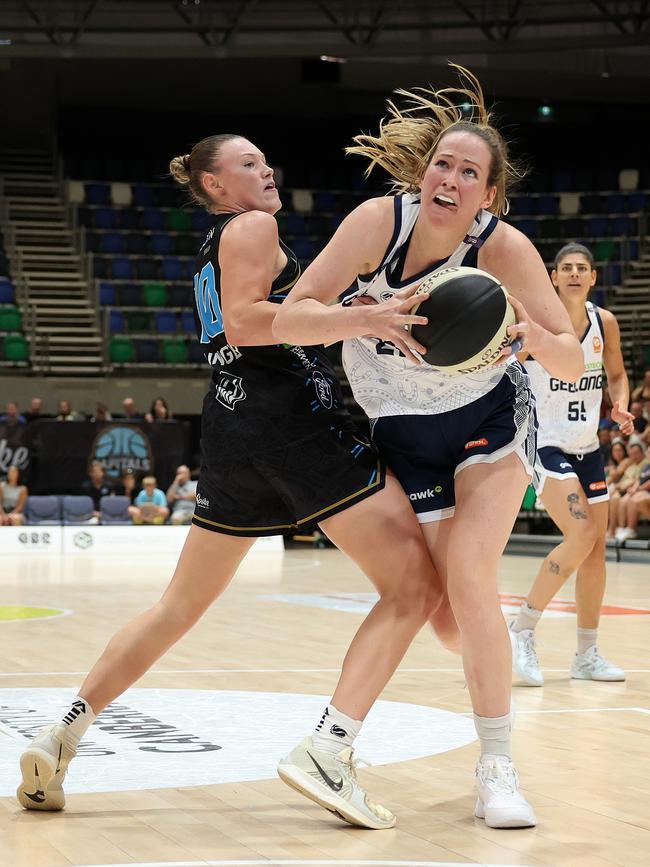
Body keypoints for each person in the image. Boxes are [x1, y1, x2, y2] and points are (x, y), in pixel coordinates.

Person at [17, 133, 441, 831]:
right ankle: (329, 750)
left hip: (231, 426)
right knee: (415, 586)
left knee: (176, 607)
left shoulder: (215, 243)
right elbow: (247, 324)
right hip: (292, 422)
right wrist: (363, 318)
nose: (266, 168)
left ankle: (62, 732)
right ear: (215, 185)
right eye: (247, 164)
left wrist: (344, 310)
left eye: (265, 158)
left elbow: (248, 320)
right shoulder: (254, 225)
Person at [273, 65, 583, 829]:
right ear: (426, 170)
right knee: (448, 617)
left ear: (487, 193)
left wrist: (529, 335)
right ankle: (490, 654)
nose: (450, 177)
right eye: (443, 162)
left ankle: (498, 768)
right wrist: (366, 320)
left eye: (469, 171)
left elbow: (572, 359)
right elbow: (291, 316)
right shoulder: (379, 223)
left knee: (471, 584)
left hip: (486, 420)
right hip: (403, 435)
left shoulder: (503, 247)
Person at [508, 243, 634, 685]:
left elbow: (617, 375)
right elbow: (506, 368)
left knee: (595, 549)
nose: (576, 274)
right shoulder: (537, 325)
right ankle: (521, 628)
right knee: (581, 534)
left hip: (588, 447)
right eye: (568, 268)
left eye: (583, 268)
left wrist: (619, 404)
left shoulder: (606, 323)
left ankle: (586, 653)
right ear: (554, 277)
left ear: (594, 277)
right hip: (545, 445)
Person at [607, 439, 646, 539]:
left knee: (619, 499)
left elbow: (637, 480)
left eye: (636, 452)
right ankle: (614, 529)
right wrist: (618, 486)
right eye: (632, 453)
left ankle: (621, 529)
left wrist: (626, 486)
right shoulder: (632, 465)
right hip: (624, 489)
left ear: (642, 452)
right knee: (614, 497)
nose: (634, 455)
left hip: (635, 490)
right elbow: (623, 480)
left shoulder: (645, 463)